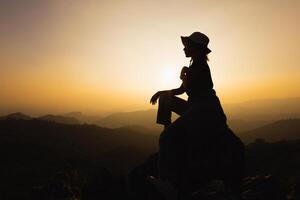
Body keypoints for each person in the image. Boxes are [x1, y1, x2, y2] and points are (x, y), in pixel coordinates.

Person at [150, 32, 245, 199]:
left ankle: (166, 180)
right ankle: (168, 127)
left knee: (165, 138)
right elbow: (181, 90)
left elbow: (194, 88)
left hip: (204, 108)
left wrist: (184, 77)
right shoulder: (194, 65)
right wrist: (162, 92)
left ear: (195, 48)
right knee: (165, 99)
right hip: (195, 106)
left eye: (187, 45)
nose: (184, 48)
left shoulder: (200, 66)